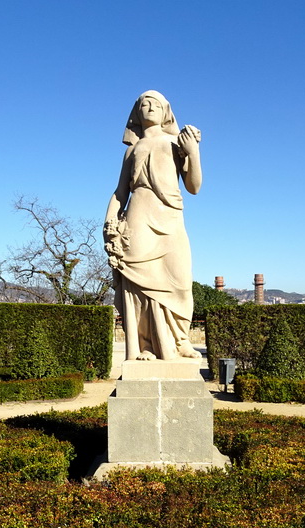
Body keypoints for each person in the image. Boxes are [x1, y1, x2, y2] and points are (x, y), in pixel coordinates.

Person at [104, 90, 202, 361]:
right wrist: (110, 219)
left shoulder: (177, 143)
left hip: (171, 216)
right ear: (136, 113)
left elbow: (194, 187)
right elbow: (120, 191)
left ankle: (179, 340)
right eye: (143, 104)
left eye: (155, 104)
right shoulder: (132, 151)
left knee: (180, 281)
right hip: (139, 215)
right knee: (140, 283)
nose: (148, 107)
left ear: (166, 111)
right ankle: (147, 345)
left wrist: (193, 153)